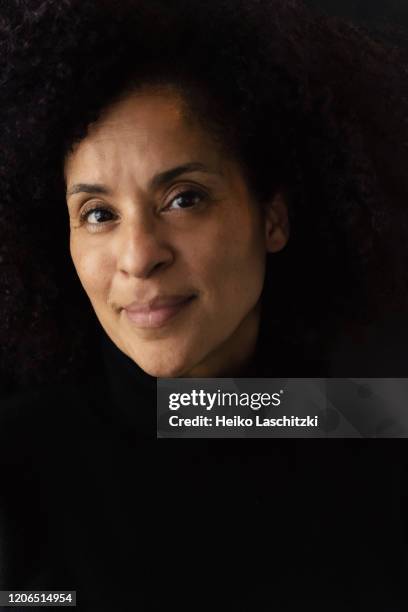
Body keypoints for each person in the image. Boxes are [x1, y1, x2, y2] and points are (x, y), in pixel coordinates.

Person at [0, 1, 407, 610]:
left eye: (184, 198)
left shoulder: (374, 432)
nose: (138, 256)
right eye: (98, 214)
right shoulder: (16, 469)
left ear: (273, 217)